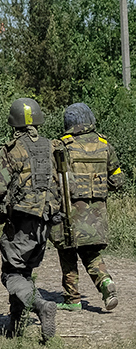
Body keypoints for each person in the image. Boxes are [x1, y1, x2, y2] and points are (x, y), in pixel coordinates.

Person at [0, 97, 60, 341]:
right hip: (46, 219)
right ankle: (15, 324)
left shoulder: (12, 150)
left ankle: (40, 306)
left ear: (14, 122)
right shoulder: (52, 146)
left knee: (11, 273)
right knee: (23, 271)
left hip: (22, 220)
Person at [50, 103, 123, 312]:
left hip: (69, 213)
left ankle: (72, 299)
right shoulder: (105, 145)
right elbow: (118, 180)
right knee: (91, 253)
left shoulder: (62, 146)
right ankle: (106, 282)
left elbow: (52, 180)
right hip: (97, 215)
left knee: (67, 252)